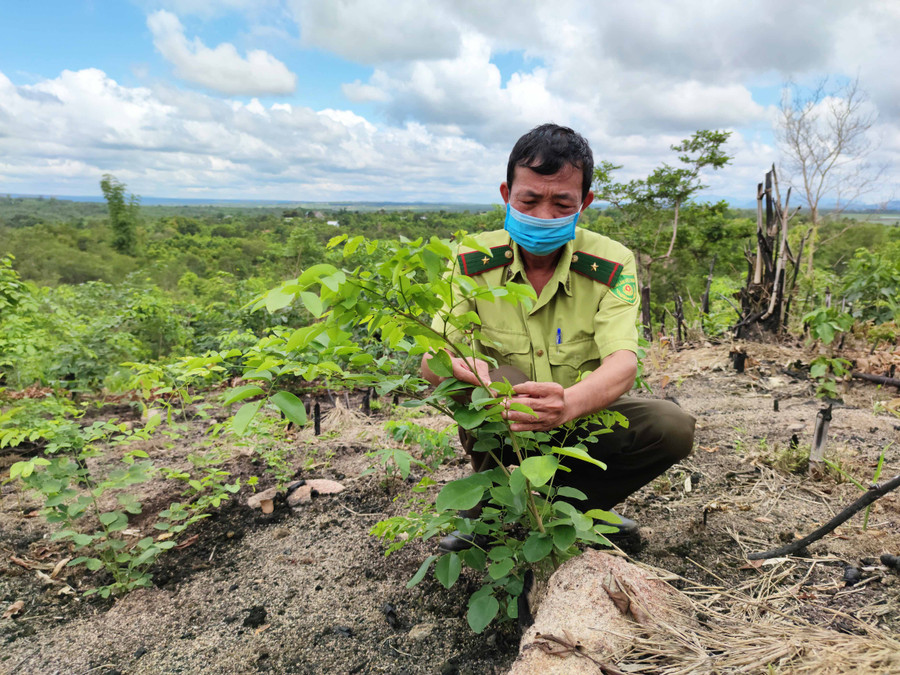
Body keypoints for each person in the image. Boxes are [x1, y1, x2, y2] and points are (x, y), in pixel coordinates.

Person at [421, 123, 695, 550]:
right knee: (501, 375)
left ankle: (573, 510)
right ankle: (493, 505)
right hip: (502, 419)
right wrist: (462, 371)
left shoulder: (610, 263)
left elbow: (622, 363)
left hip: (579, 420)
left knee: (671, 426)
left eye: (562, 202)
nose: (543, 216)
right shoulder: (470, 260)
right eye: (528, 200)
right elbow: (433, 354)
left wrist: (568, 404)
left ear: (584, 202)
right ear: (505, 194)